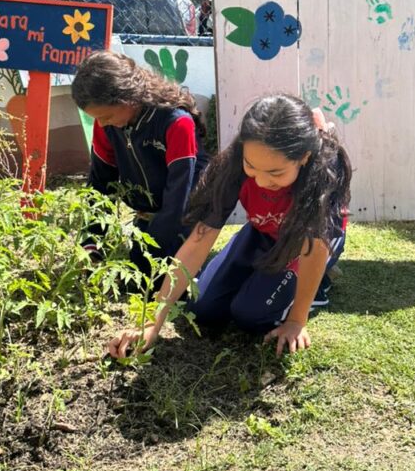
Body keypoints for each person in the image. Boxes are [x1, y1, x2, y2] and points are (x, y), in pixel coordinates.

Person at [108, 94, 351, 357]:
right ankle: (264, 277)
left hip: (307, 243)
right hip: (262, 231)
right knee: (202, 308)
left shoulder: (323, 170)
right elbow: (199, 241)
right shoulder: (233, 165)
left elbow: (314, 246)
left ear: (303, 157)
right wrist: (151, 321)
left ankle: (320, 285)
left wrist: (296, 320)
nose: (259, 181)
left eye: (276, 173)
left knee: (250, 315)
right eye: (251, 166)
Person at [71, 50, 210, 267]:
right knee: (137, 276)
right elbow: (100, 184)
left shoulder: (175, 123)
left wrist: (155, 245)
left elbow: (179, 197)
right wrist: (92, 240)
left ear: (129, 98)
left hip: (187, 210)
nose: (103, 123)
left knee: (158, 278)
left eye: (107, 116)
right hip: (149, 210)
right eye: (98, 119)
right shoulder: (105, 125)